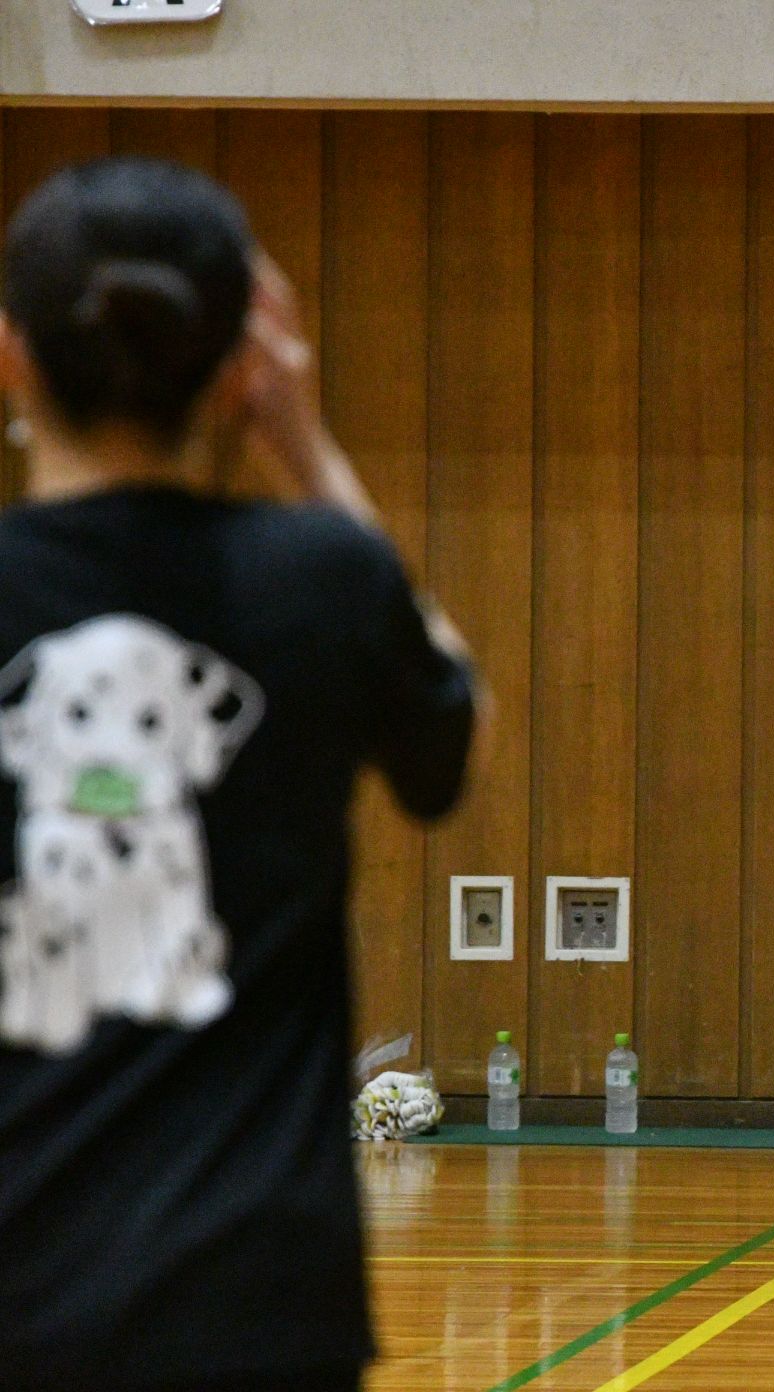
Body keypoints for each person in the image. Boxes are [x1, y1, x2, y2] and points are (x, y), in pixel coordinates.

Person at [0, 158, 479, 1391]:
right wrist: (305, 446)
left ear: (13, 356)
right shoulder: (319, 578)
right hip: (258, 1298)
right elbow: (451, 739)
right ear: (235, 369)